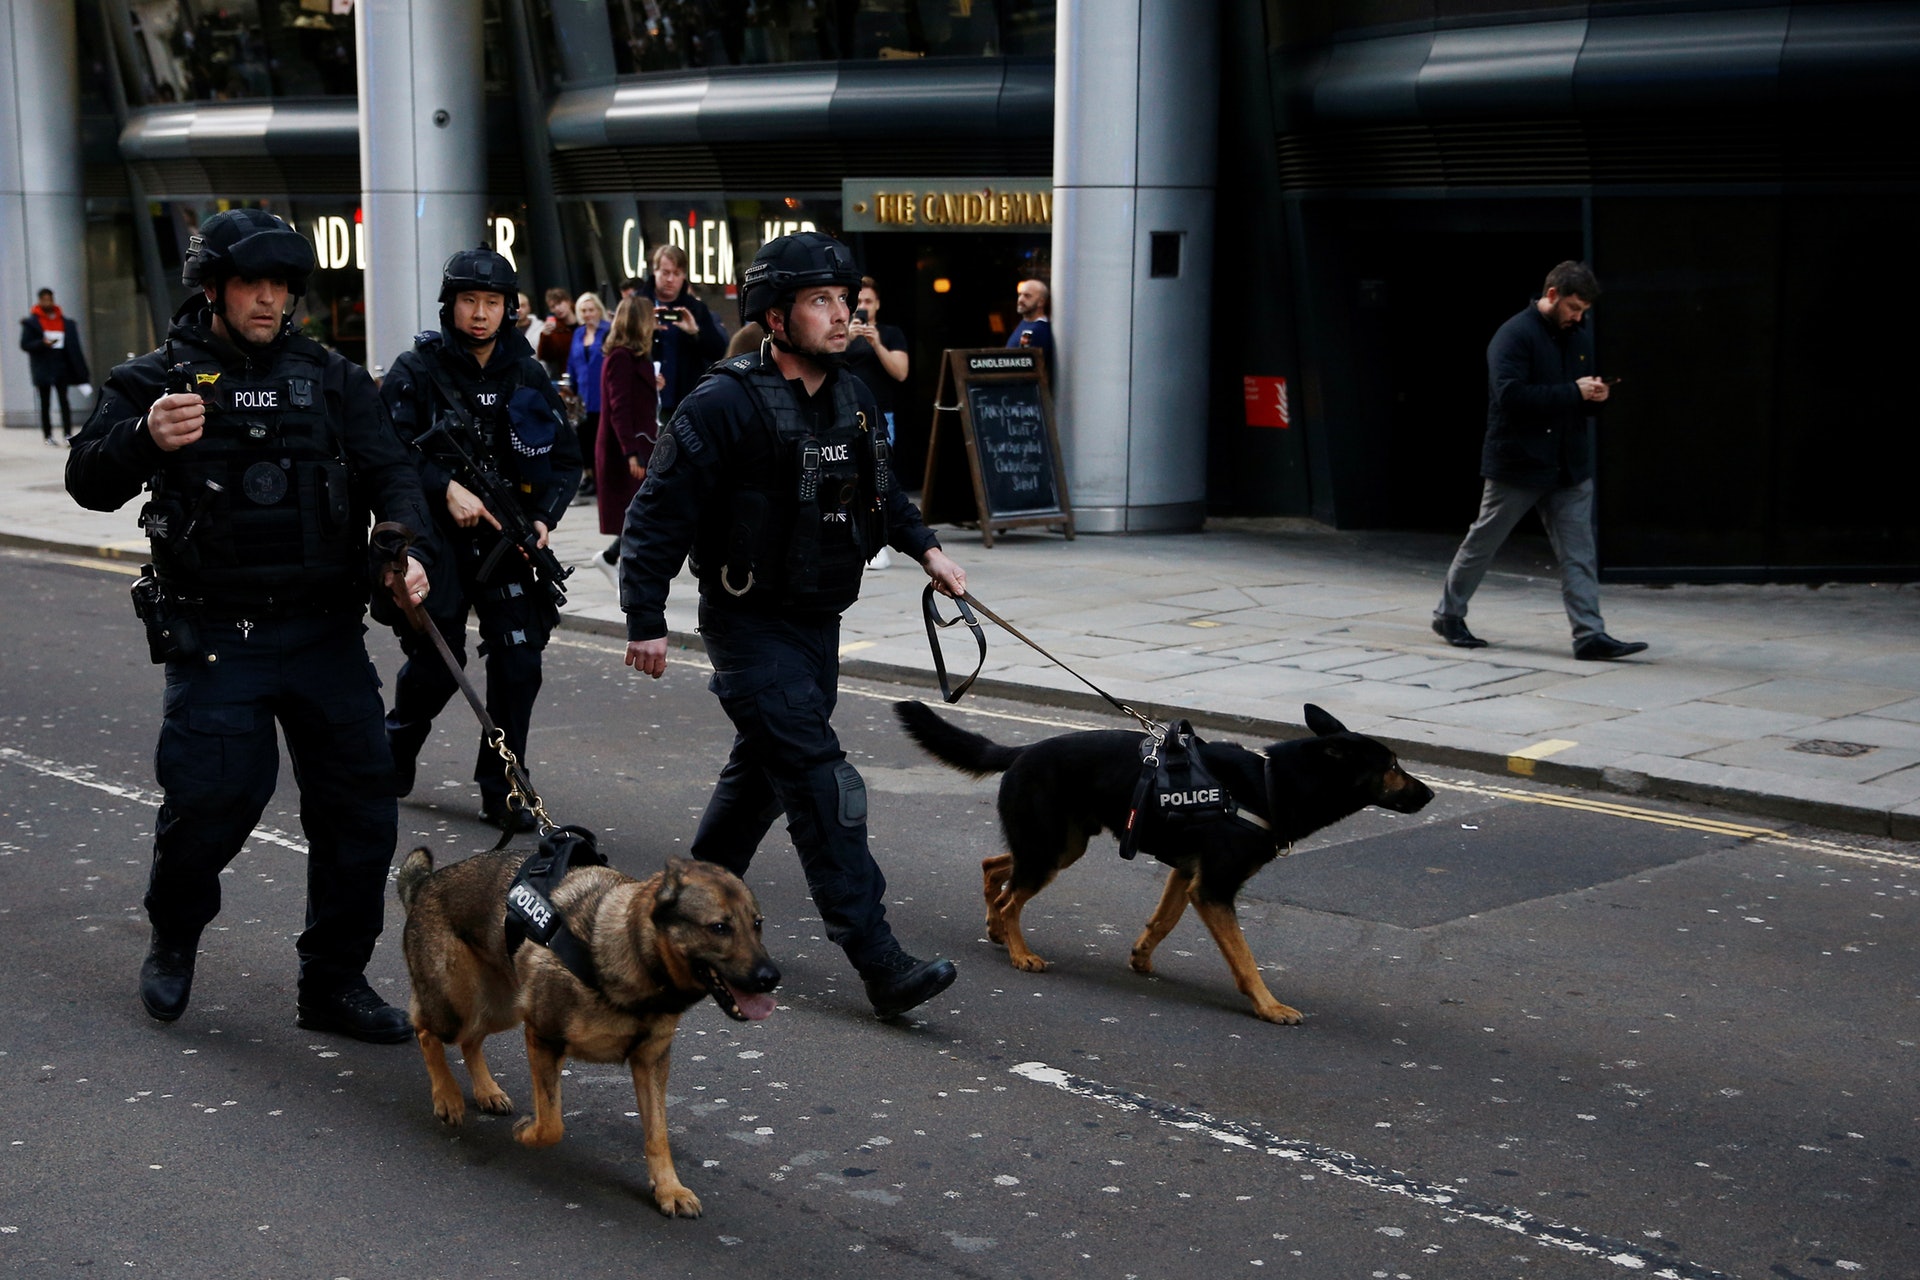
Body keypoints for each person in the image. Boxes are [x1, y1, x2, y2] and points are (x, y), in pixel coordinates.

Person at [65, 209, 435, 1042]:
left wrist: (407, 553)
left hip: (323, 634)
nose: (269, 301)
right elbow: (88, 479)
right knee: (213, 804)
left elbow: (393, 475)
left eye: (281, 287)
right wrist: (143, 437)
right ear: (215, 290)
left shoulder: (331, 378)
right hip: (216, 637)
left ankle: (332, 983)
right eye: (251, 286)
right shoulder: (156, 377)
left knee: (361, 812)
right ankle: (174, 935)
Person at [619, 231, 967, 1021]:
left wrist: (928, 549)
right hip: (748, 628)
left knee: (757, 783)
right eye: (822, 301)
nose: (841, 315)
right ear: (775, 316)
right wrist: (645, 617)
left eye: (844, 301)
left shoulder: (853, 394)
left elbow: (885, 491)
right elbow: (656, 516)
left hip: (818, 627)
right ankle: (879, 960)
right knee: (821, 782)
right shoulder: (722, 402)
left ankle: (669, 920)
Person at [379, 248, 582, 832]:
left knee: (520, 663)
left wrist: (543, 516)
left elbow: (565, 459)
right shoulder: (416, 370)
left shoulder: (526, 372)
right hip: (437, 539)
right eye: (469, 300)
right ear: (451, 305)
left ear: (508, 309)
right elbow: (384, 455)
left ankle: (504, 785)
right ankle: (395, 747)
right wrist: (443, 487)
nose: (480, 314)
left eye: (492, 303)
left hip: (507, 538)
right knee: (439, 663)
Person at [1432, 261, 1647, 661]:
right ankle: (1448, 614)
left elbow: (1575, 399)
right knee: (1484, 541)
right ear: (1552, 295)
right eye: (1573, 307)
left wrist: (1595, 397)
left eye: (1584, 310)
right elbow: (1511, 397)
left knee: (1579, 553)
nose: (1579, 317)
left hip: (1568, 465)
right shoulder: (1513, 335)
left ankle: (1589, 635)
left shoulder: (1577, 336)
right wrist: (1573, 392)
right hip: (1519, 463)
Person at [593, 296, 658, 585]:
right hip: (626, 450)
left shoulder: (632, 356)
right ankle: (623, 569)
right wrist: (631, 453)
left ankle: (612, 560)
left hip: (638, 444)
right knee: (639, 515)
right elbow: (619, 408)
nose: (655, 323)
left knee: (642, 515)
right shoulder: (620, 357)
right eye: (651, 318)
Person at [844, 277, 909, 567]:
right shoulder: (839, 334)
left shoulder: (890, 333)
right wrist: (847, 338)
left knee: (880, 477)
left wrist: (876, 344)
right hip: (844, 414)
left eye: (869, 302)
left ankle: (878, 540)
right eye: (859, 302)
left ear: (878, 304)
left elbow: (900, 373)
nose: (863, 307)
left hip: (881, 415)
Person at [635, 243, 728, 417]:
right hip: (642, 398)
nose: (670, 279)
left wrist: (695, 332)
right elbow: (612, 344)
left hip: (684, 401)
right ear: (654, 272)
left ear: (684, 276)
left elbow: (719, 351)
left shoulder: (696, 308)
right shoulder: (637, 304)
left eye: (676, 274)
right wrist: (644, 330)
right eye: (665, 272)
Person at [19, 287, 92, 445]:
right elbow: (25, 344)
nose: (48, 302)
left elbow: (73, 346)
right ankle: (48, 435)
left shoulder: (64, 321)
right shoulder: (32, 323)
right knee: (45, 403)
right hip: (43, 367)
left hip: (61, 366)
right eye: (44, 299)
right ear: (40, 301)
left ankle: (67, 433)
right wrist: (42, 343)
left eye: (49, 299)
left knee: (64, 401)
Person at [566, 291, 610, 498]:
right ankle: (589, 476)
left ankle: (603, 478)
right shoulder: (578, 333)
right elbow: (572, 363)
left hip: (602, 394)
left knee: (600, 437)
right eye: (583, 310)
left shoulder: (607, 331)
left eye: (591, 309)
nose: (588, 314)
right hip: (582, 395)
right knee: (584, 438)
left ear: (598, 310)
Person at [1006, 277, 1053, 375]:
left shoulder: (1036, 330)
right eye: (1020, 295)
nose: (1020, 300)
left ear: (1041, 302)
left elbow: (1023, 363)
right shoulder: (1026, 325)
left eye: (1027, 296)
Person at [535, 286, 576, 380]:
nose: (557, 308)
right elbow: (545, 356)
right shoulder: (555, 329)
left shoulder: (583, 317)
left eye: (559, 303)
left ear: (568, 301)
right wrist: (545, 336)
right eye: (553, 307)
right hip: (568, 376)